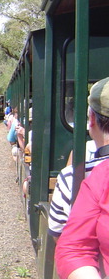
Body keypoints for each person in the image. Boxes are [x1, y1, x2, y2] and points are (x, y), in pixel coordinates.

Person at [55, 77, 109, 279]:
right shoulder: (100, 176)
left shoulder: (91, 177)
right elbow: (74, 249)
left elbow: (71, 246)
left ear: (92, 120)